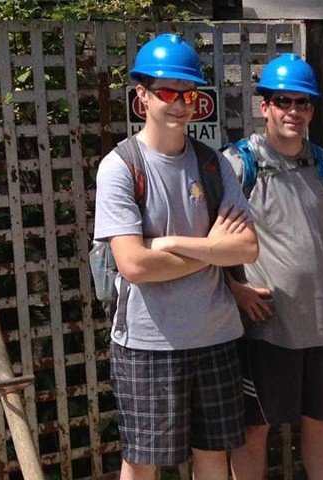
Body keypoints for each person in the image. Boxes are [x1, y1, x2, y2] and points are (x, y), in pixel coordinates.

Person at [93, 33, 258, 480]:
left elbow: (245, 246)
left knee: (212, 456)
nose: (180, 103)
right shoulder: (120, 166)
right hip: (148, 343)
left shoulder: (212, 163)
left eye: (188, 92)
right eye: (167, 92)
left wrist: (170, 244)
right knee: (143, 462)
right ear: (142, 96)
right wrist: (211, 250)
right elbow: (134, 265)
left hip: (215, 335)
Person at [222, 54, 323, 480]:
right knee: (254, 427)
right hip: (266, 328)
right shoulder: (238, 164)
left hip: (322, 325)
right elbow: (209, 244)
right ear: (264, 106)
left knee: (320, 420)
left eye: (304, 104)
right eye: (284, 101)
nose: (295, 112)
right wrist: (234, 288)